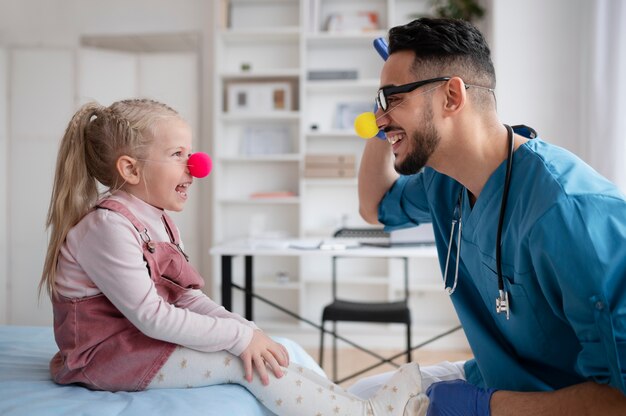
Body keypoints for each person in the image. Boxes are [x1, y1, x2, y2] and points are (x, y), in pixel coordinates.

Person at [40, 98, 429, 415]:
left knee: (260, 347)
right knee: (241, 361)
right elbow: (153, 317)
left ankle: (353, 405)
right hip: (105, 357)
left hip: (136, 342)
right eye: (178, 154)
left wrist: (245, 328)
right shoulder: (106, 227)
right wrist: (240, 339)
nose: (196, 167)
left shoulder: (156, 220)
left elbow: (185, 297)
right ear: (130, 169)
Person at [355, 17, 626, 415]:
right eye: (378, 103)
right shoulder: (444, 181)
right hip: (493, 378)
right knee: (362, 396)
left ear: (451, 96)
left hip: (553, 403)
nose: (378, 118)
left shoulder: (571, 213)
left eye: (394, 98)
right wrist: (389, 120)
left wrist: (487, 408)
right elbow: (374, 207)